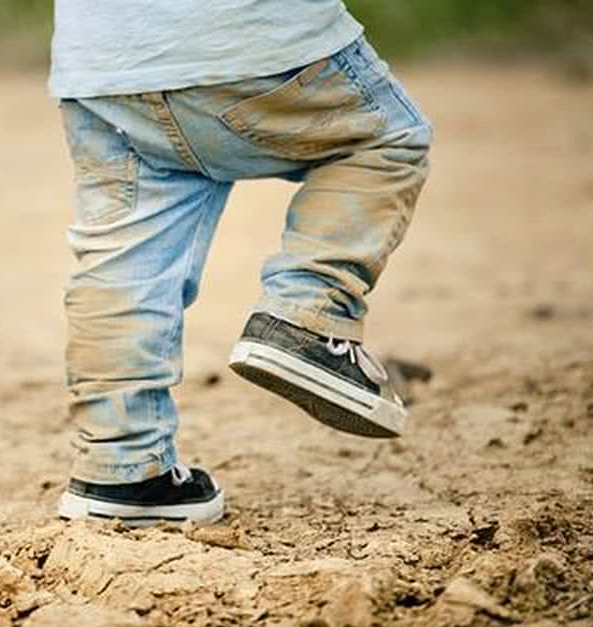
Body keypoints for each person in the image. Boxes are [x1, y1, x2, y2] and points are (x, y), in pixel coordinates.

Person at [50, 1, 432, 525]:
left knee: (124, 245)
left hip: (100, 61)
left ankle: (122, 467)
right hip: (249, 37)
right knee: (385, 139)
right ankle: (308, 314)